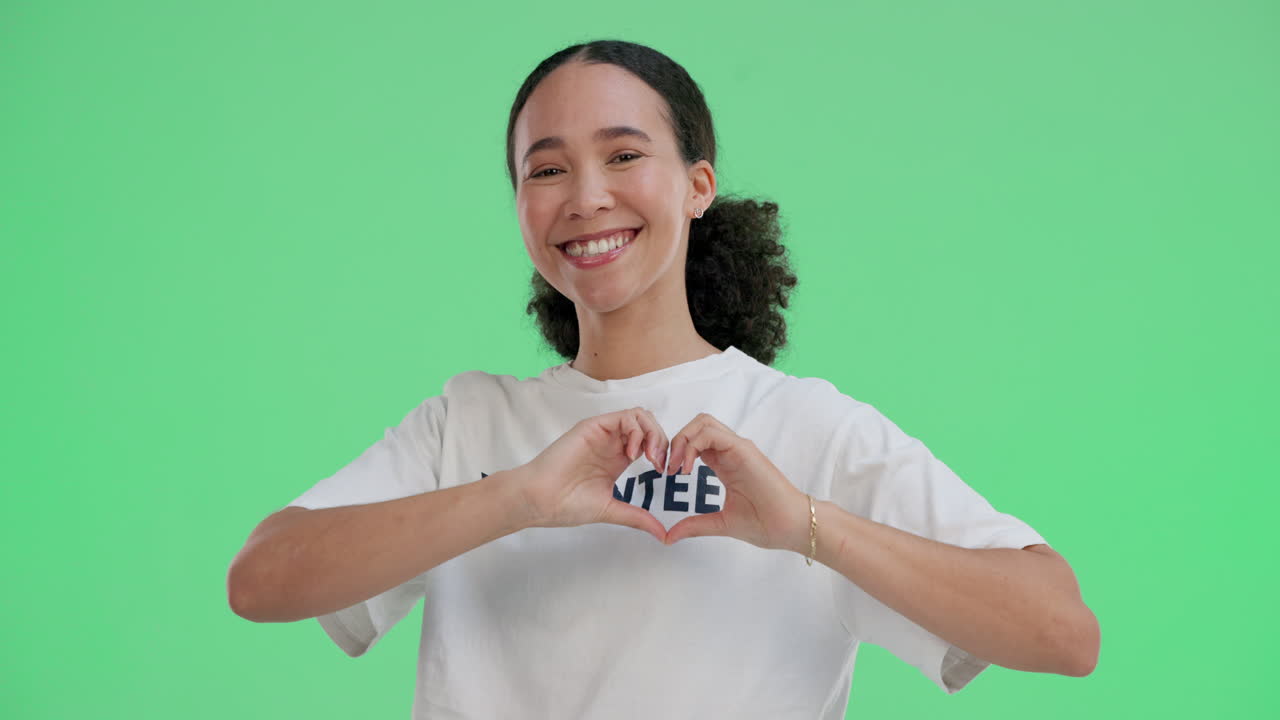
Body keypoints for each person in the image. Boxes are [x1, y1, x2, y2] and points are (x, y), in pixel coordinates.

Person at [227, 39, 1098, 719]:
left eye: (623, 155)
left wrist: (804, 526)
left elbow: (1061, 630)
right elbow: (261, 578)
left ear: (697, 185)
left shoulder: (804, 427)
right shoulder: (469, 422)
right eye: (546, 168)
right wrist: (518, 498)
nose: (585, 197)